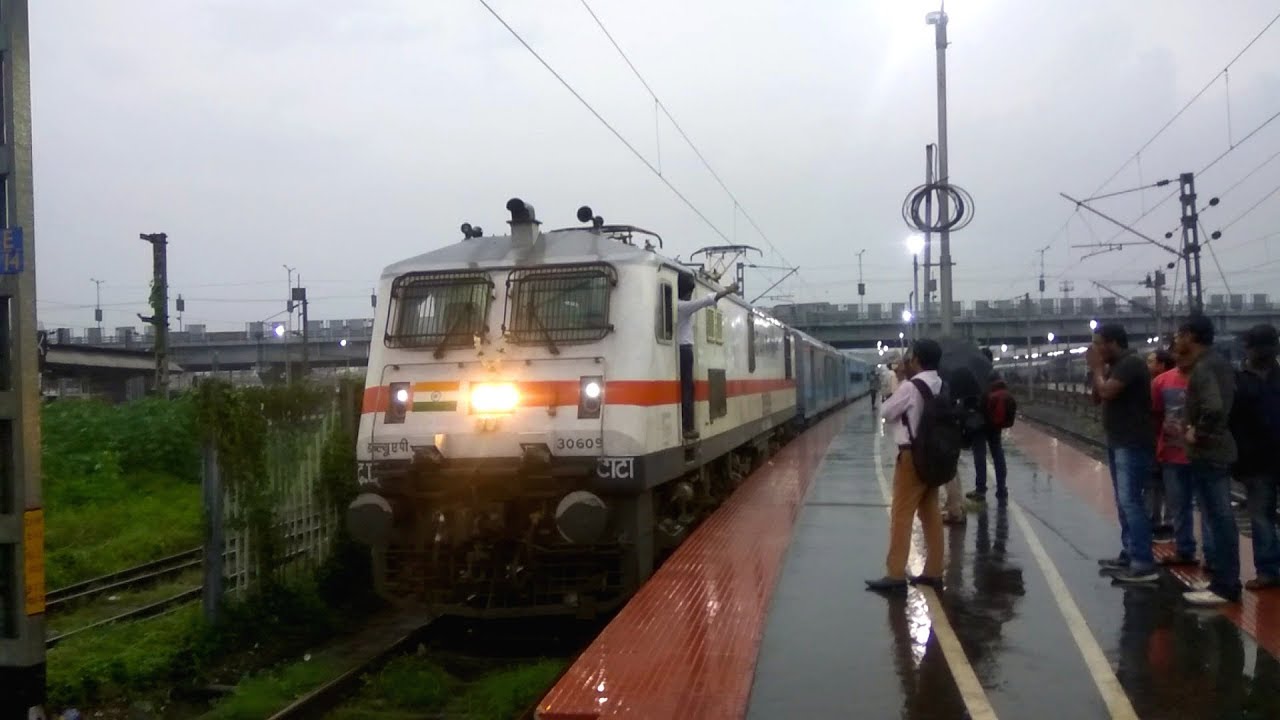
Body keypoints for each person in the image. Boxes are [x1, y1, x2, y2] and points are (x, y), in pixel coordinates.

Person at [866, 339, 946, 592]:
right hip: (934, 457)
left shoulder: (910, 387)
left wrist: (900, 379)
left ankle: (895, 574)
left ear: (917, 360)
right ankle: (934, 570)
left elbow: (886, 411)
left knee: (901, 515)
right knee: (931, 514)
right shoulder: (942, 384)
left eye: (910, 357)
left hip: (911, 458)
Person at [1176, 314, 1241, 606]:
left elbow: (1213, 408)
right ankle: (1222, 580)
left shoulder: (1204, 368)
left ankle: (1226, 586)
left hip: (1210, 452)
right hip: (1219, 450)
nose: (1177, 340)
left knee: (1219, 518)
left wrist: (1196, 433)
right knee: (1219, 517)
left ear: (1191, 336)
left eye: (1180, 334)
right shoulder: (1220, 363)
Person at [1087, 323, 1158, 584]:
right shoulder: (1115, 366)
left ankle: (1143, 563)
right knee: (1123, 501)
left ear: (1113, 342)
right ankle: (1130, 553)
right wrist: (1098, 370)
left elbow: (1106, 391)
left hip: (1133, 442)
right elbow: (1097, 397)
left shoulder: (1131, 364)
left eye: (1098, 343)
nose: (1095, 348)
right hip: (1119, 441)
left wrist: (1097, 369)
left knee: (1131, 501)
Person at [1230, 323, 1280, 591]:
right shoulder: (1239, 380)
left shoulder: (1241, 381)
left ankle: (1269, 571)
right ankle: (1269, 570)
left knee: (1261, 515)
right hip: (1256, 460)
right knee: (1261, 516)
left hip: (1259, 459)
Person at [1152, 345, 1211, 568]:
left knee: (1207, 507)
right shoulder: (1161, 382)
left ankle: (1211, 556)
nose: (1182, 357)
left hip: (1200, 454)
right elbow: (1155, 415)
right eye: (1178, 353)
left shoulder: (1205, 379)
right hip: (1171, 453)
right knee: (1179, 506)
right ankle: (1185, 550)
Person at [675, 274, 737, 440]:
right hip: (685, 349)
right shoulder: (682, 306)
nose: (690, 295)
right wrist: (728, 290)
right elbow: (706, 300)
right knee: (688, 389)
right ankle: (688, 427)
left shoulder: (673, 304)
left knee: (685, 388)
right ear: (686, 292)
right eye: (689, 292)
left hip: (677, 349)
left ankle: (685, 423)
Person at [967, 348, 1010, 503]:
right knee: (997, 452)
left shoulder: (974, 376)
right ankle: (1002, 488)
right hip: (994, 422)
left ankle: (980, 489)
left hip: (979, 421)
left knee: (980, 455)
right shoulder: (996, 375)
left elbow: (970, 400)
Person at [1146, 350, 1177, 543]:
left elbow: (1153, 413)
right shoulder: (1160, 383)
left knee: (1157, 486)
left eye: (1150, 361)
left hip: (1160, 441)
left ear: (1162, 365)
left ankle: (1158, 523)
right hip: (1165, 442)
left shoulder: (1160, 384)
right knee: (1166, 486)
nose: (1147, 364)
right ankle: (1167, 524)